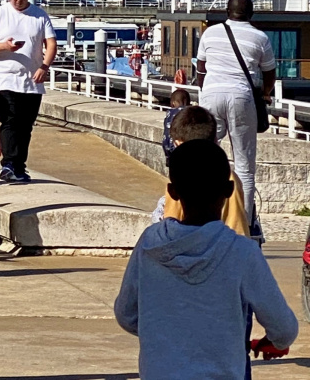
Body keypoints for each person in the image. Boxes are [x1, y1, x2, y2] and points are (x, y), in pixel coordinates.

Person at [114, 140, 297, 380]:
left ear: (172, 192)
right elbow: (284, 328)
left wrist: (164, 335)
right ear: (229, 190)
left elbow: (125, 314)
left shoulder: (150, 243)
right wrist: (273, 340)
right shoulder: (241, 252)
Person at [194, 0, 275, 222]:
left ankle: (204, 216)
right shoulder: (260, 38)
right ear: (250, 14)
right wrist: (266, 94)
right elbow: (269, 73)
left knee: (207, 158)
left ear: (227, 12)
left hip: (211, 95)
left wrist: (206, 90)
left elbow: (201, 68)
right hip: (241, 96)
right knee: (244, 165)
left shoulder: (210, 33)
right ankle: (244, 222)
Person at [0, 0, 57, 183]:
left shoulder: (40, 15)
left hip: (32, 80)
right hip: (6, 77)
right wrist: (5, 46)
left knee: (26, 125)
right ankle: (9, 164)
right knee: (10, 120)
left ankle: (19, 165)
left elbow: (51, 44)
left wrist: (44, 66)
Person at [150, 104, 250, 236]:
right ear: (214, 139)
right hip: (230, 247)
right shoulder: (229, 175)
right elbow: (238, 225)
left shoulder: (183, 174)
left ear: (178, 143)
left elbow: (170, 228)